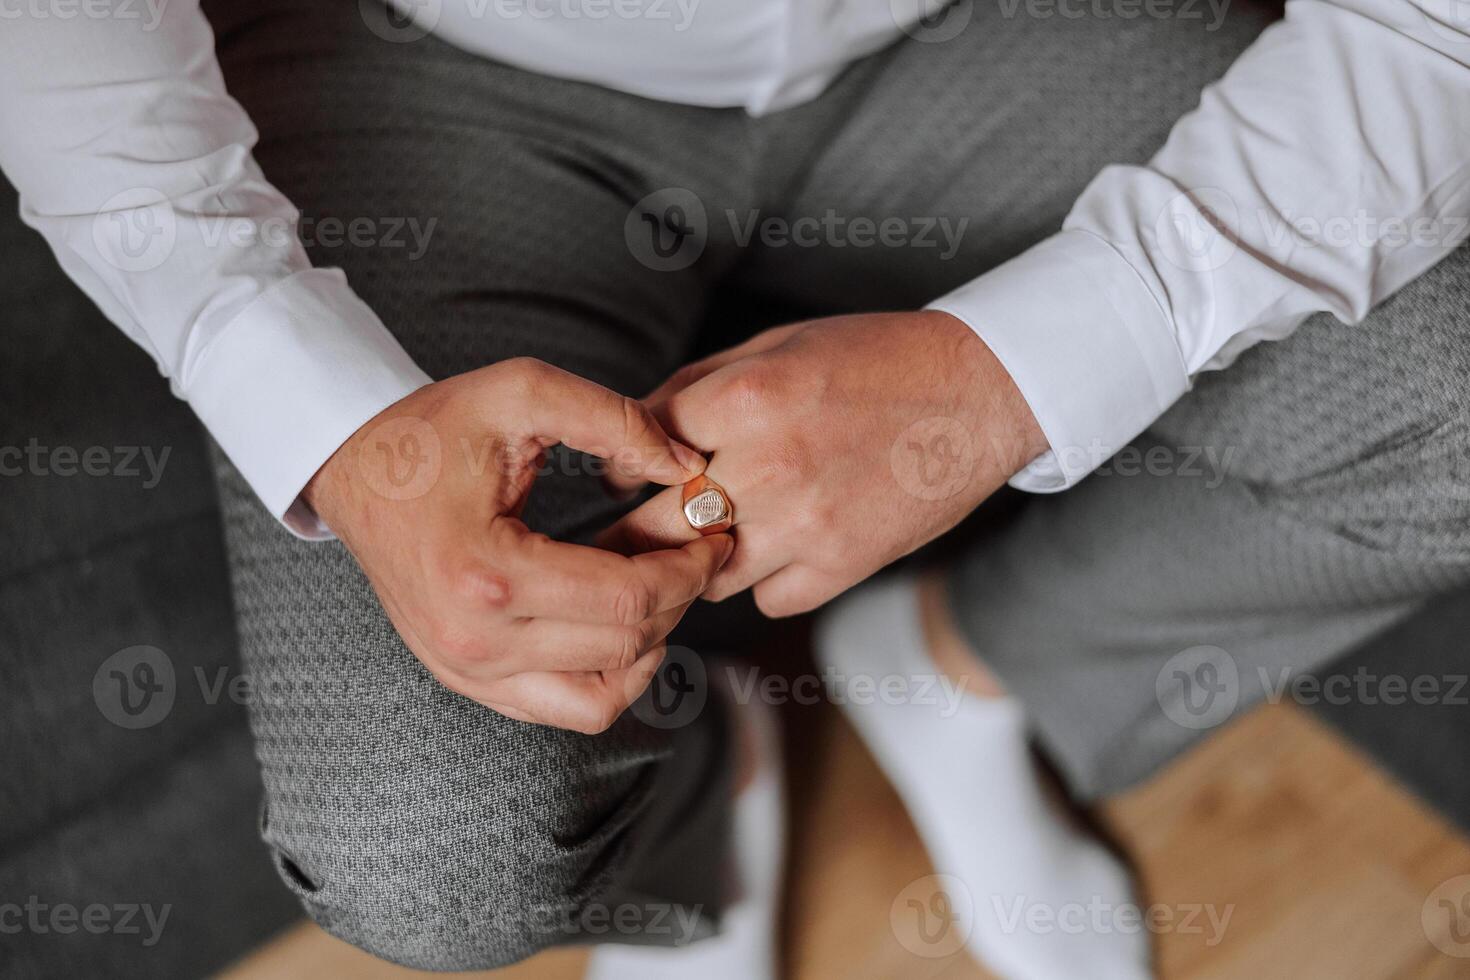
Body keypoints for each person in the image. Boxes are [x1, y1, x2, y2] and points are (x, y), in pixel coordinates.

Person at [3, 0, 1467, 976]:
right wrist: (307, 401)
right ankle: (706, 784)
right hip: (419, 59)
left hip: (968, 27)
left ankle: (965, 674)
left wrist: (1006, 373)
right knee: (424, 858)